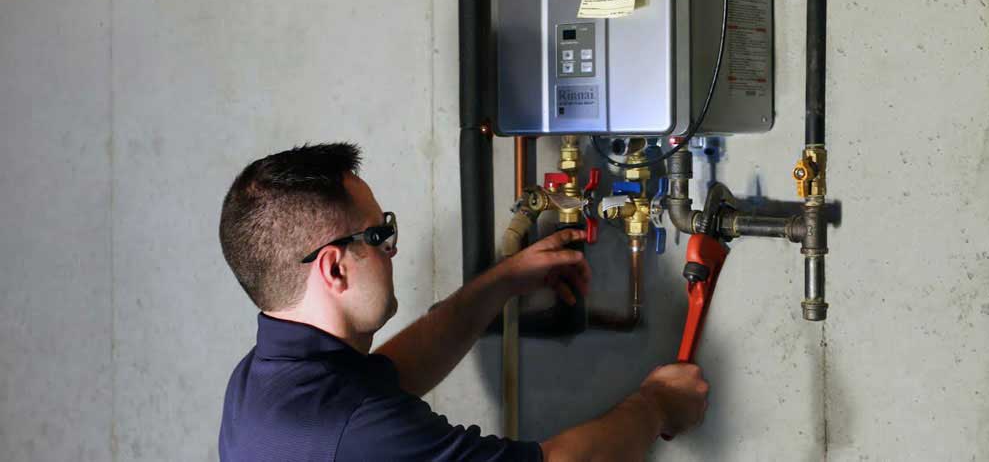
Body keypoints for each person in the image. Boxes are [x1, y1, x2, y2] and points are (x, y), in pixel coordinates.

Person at [219, 143, 709, 461]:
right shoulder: (356, 432)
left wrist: (502, 282)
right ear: (334, 268)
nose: (392, 249)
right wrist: (656, 407)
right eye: (379, 235)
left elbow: (397, 371)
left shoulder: (259, 385)